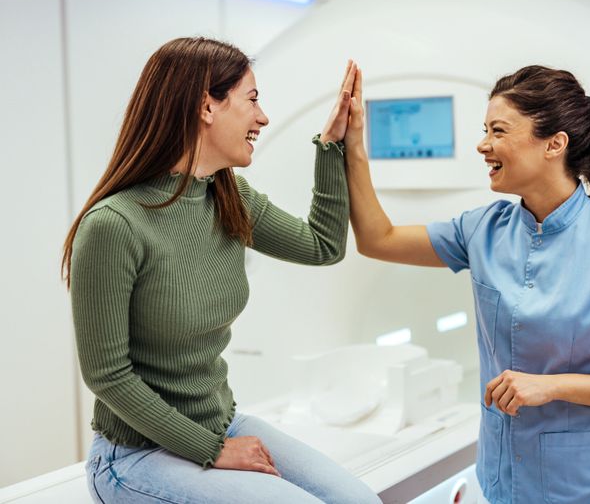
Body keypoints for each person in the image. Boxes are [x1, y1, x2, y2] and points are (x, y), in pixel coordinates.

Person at [343, 64, 590, 503]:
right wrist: (353, 143)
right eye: (485, 130)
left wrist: (553, 384)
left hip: (588, 486)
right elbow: (378, 239)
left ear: (554, 144)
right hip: (504, 479)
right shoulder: (483, 230)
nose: (483, 145)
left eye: (499, 131)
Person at [62, 37, 380, 504]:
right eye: (252, 100)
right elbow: (107, 375)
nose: (263, 117)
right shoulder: (114, 225)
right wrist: (213, 450)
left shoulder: (228, 197)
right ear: (205, 106)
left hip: (221, 422)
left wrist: (331, 145)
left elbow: (323, 246)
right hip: (135, 456)